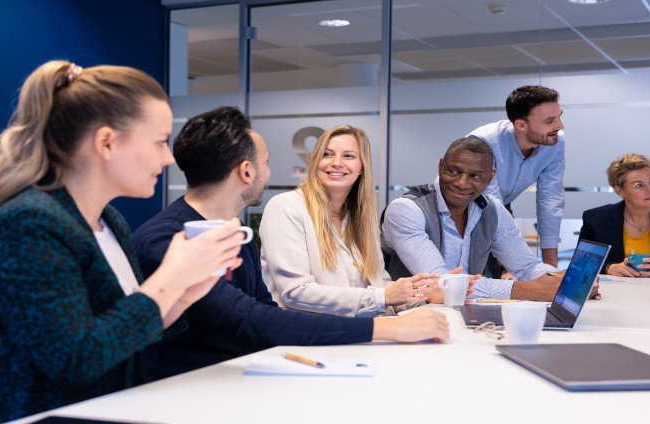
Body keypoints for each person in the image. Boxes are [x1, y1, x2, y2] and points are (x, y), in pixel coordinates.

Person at [0, 61, 247, 423]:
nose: (168, 158)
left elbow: (116, 335)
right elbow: (75, 359)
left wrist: (186, 290)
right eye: (161, 141)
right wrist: (171, 279)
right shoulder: (28, 225)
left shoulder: (109, 222)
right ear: (106, 142)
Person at [132, 108, 450, 379]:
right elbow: (252, 319)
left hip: (238, 373)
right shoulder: (168, 239)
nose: (269, 173)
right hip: (188, 388)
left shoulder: (232, 231)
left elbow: (262, 313)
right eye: (267, 162)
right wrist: (389, 329)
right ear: (246, 171)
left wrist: (411, 302)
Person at [260, 125, 459, 318]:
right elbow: (295, 292)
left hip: (352, 335)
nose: (336, 162)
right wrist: (384, 296)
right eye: (327, 154)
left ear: (362, 167)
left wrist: (423, 293)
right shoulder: (285, 207)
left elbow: (378, 285)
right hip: (301, 338)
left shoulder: (362, 218)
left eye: (349, 156)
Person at [381, 136, 575, 302]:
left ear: (490, 177)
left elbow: (526, 266)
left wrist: (565, 281)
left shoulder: (493, 210)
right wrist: (529, 290)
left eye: (475, 176)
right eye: (453, 171)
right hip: (409, 317)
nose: (461, 183)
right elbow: (440, 283)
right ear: (440, 166)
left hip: (468, 315)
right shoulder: (406, 209)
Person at [468, 85, 565, 269]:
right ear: (520, 125)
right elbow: (491, 205)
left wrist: (550, 266)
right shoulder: (483, 142)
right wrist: (509, 267)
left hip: (500, 205)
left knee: (516, 276)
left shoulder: (555, 141)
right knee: (476, 278)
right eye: (550, 121)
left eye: (560, 117)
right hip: (464, 209)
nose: (560, 126)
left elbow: (550, 198)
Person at [579, 153, 650, 277]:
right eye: (639, 185)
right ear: (619, 191)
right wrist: (609, 267)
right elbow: (581, 263)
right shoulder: (596, 219)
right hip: (615, 294)